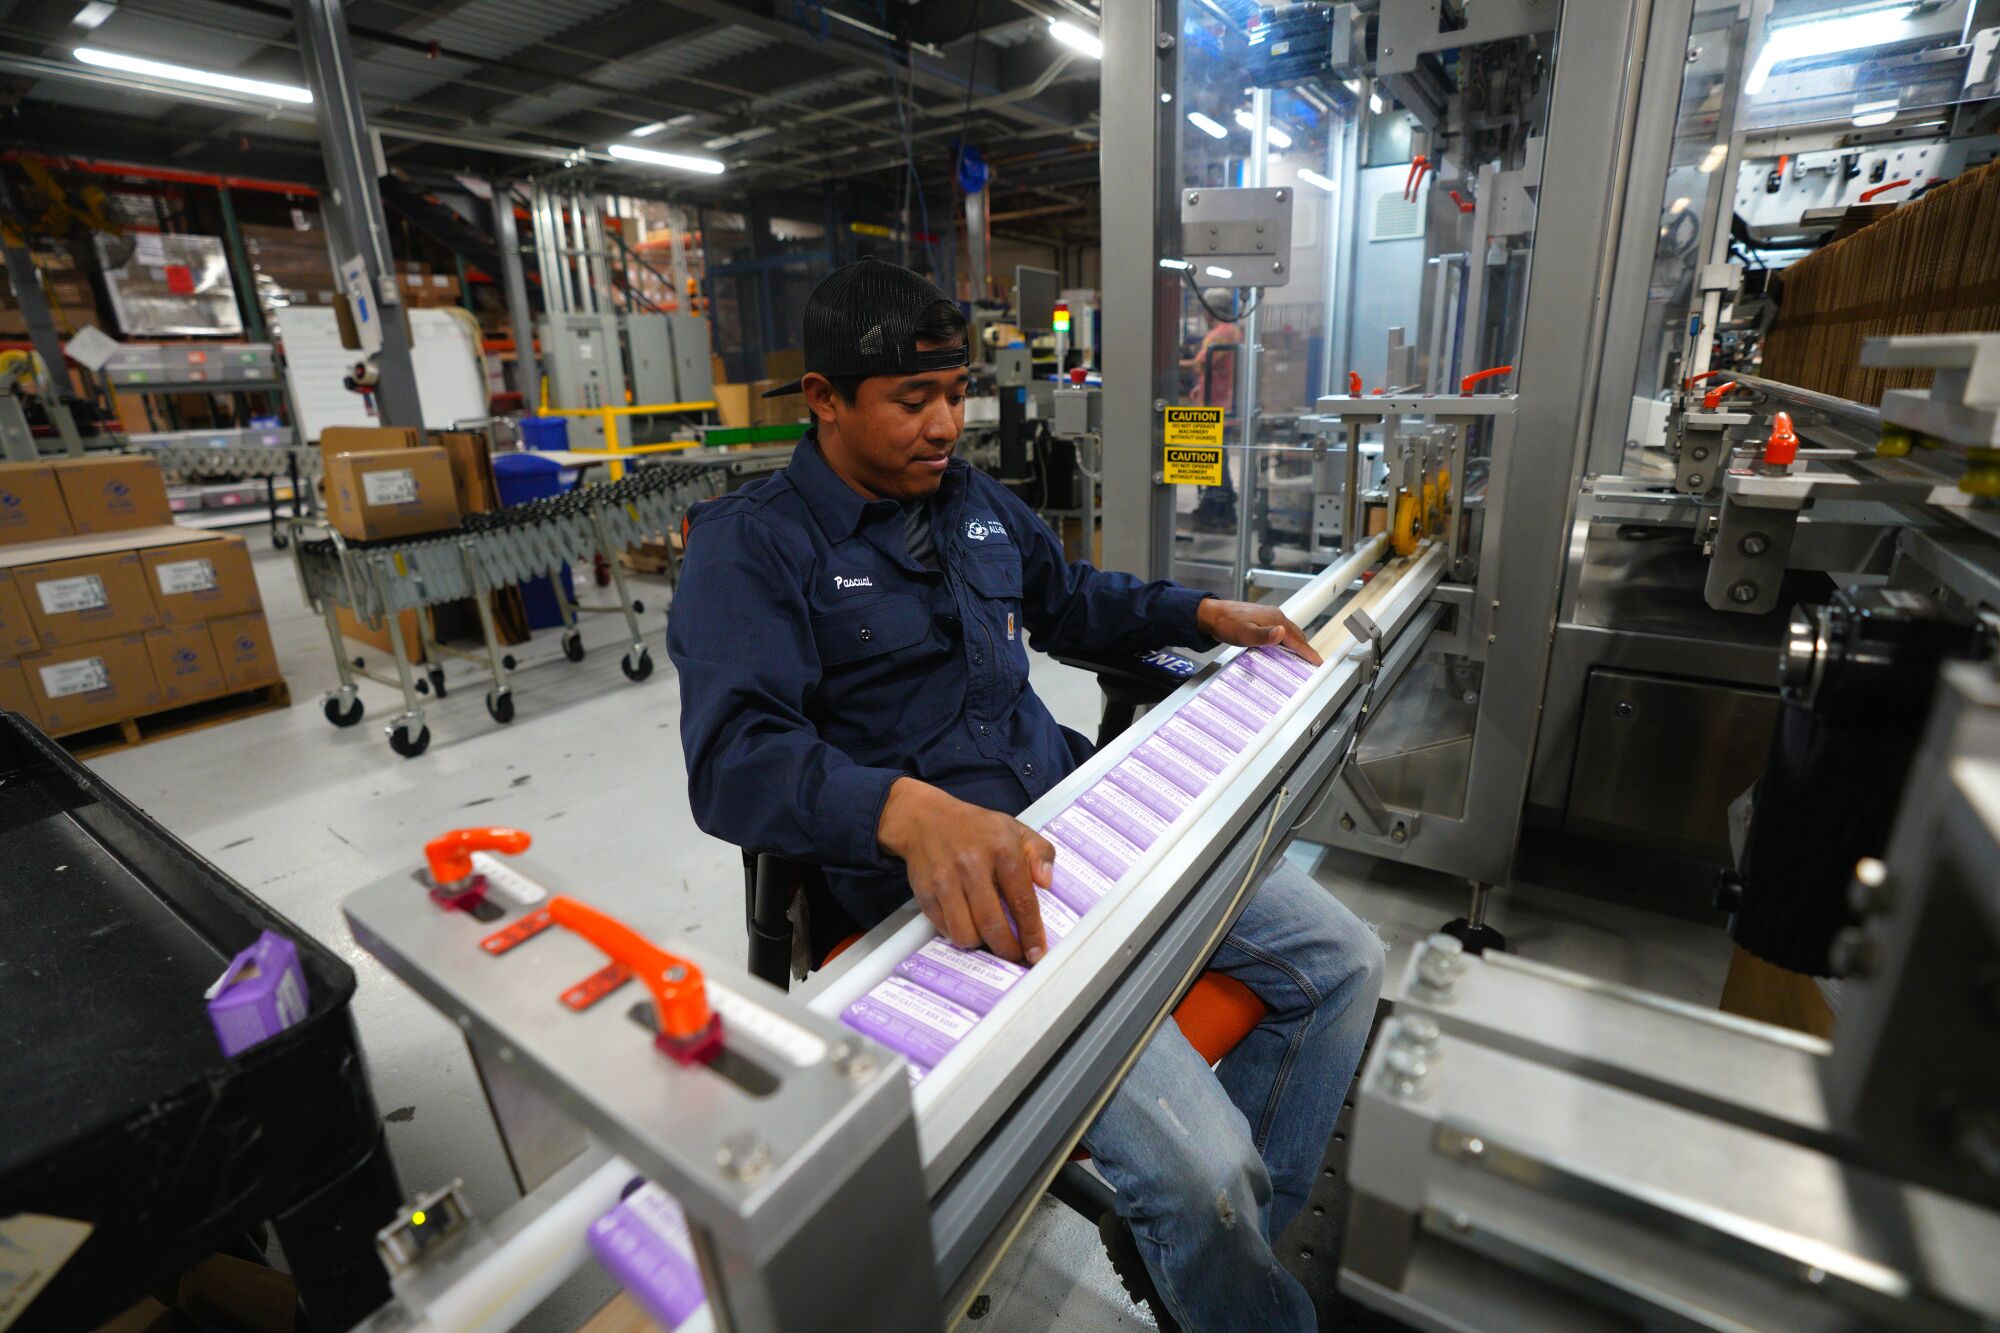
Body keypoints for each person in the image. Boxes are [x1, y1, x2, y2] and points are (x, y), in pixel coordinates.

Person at [667, 258, 1383, 1331]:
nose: (946, 422)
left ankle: (1224, 1254)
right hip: (943, 900)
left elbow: (1070, 603)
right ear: (823, 400)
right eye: (912, 401)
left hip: (1072, 821)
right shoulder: (754, 546)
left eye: (956, 393)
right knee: (1203, 1171)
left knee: (1343, 964)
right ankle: (1222, 1250)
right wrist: (903, 810)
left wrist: (1198, 615)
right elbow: (733, 758)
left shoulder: (969, 501)